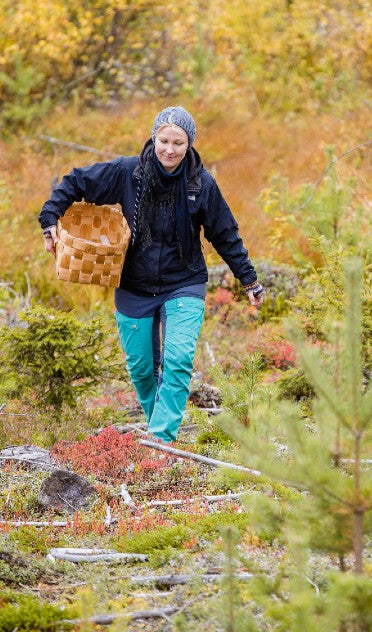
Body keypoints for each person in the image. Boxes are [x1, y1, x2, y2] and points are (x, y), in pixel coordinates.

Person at [39, 106, 265, 442]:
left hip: (184, 282)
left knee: (177, 360)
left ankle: (160, 442)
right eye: (164, 141)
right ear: (154, 138)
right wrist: (49, 220)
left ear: (189, 145)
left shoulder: (201, 184)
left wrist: (249, 279)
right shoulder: (128, 173)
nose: (169, 150)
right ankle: (160, 428)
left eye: (178, 143)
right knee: (143, 371)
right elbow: (75, 181)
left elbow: (224, 234)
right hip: (133, 285)